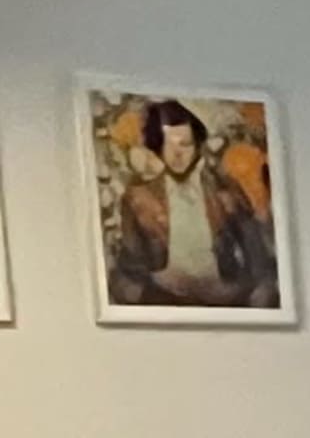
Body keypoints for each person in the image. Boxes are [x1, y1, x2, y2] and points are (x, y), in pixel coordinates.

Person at [109, 97, 276, 306]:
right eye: (168, 145)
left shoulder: (224, 191)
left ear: (197, 146)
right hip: (165, 300)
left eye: (185, 144)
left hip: (227, 299)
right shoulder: (139, 198)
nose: (177, 154)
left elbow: (257, 257)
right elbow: (131, 268)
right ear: (157, 146)